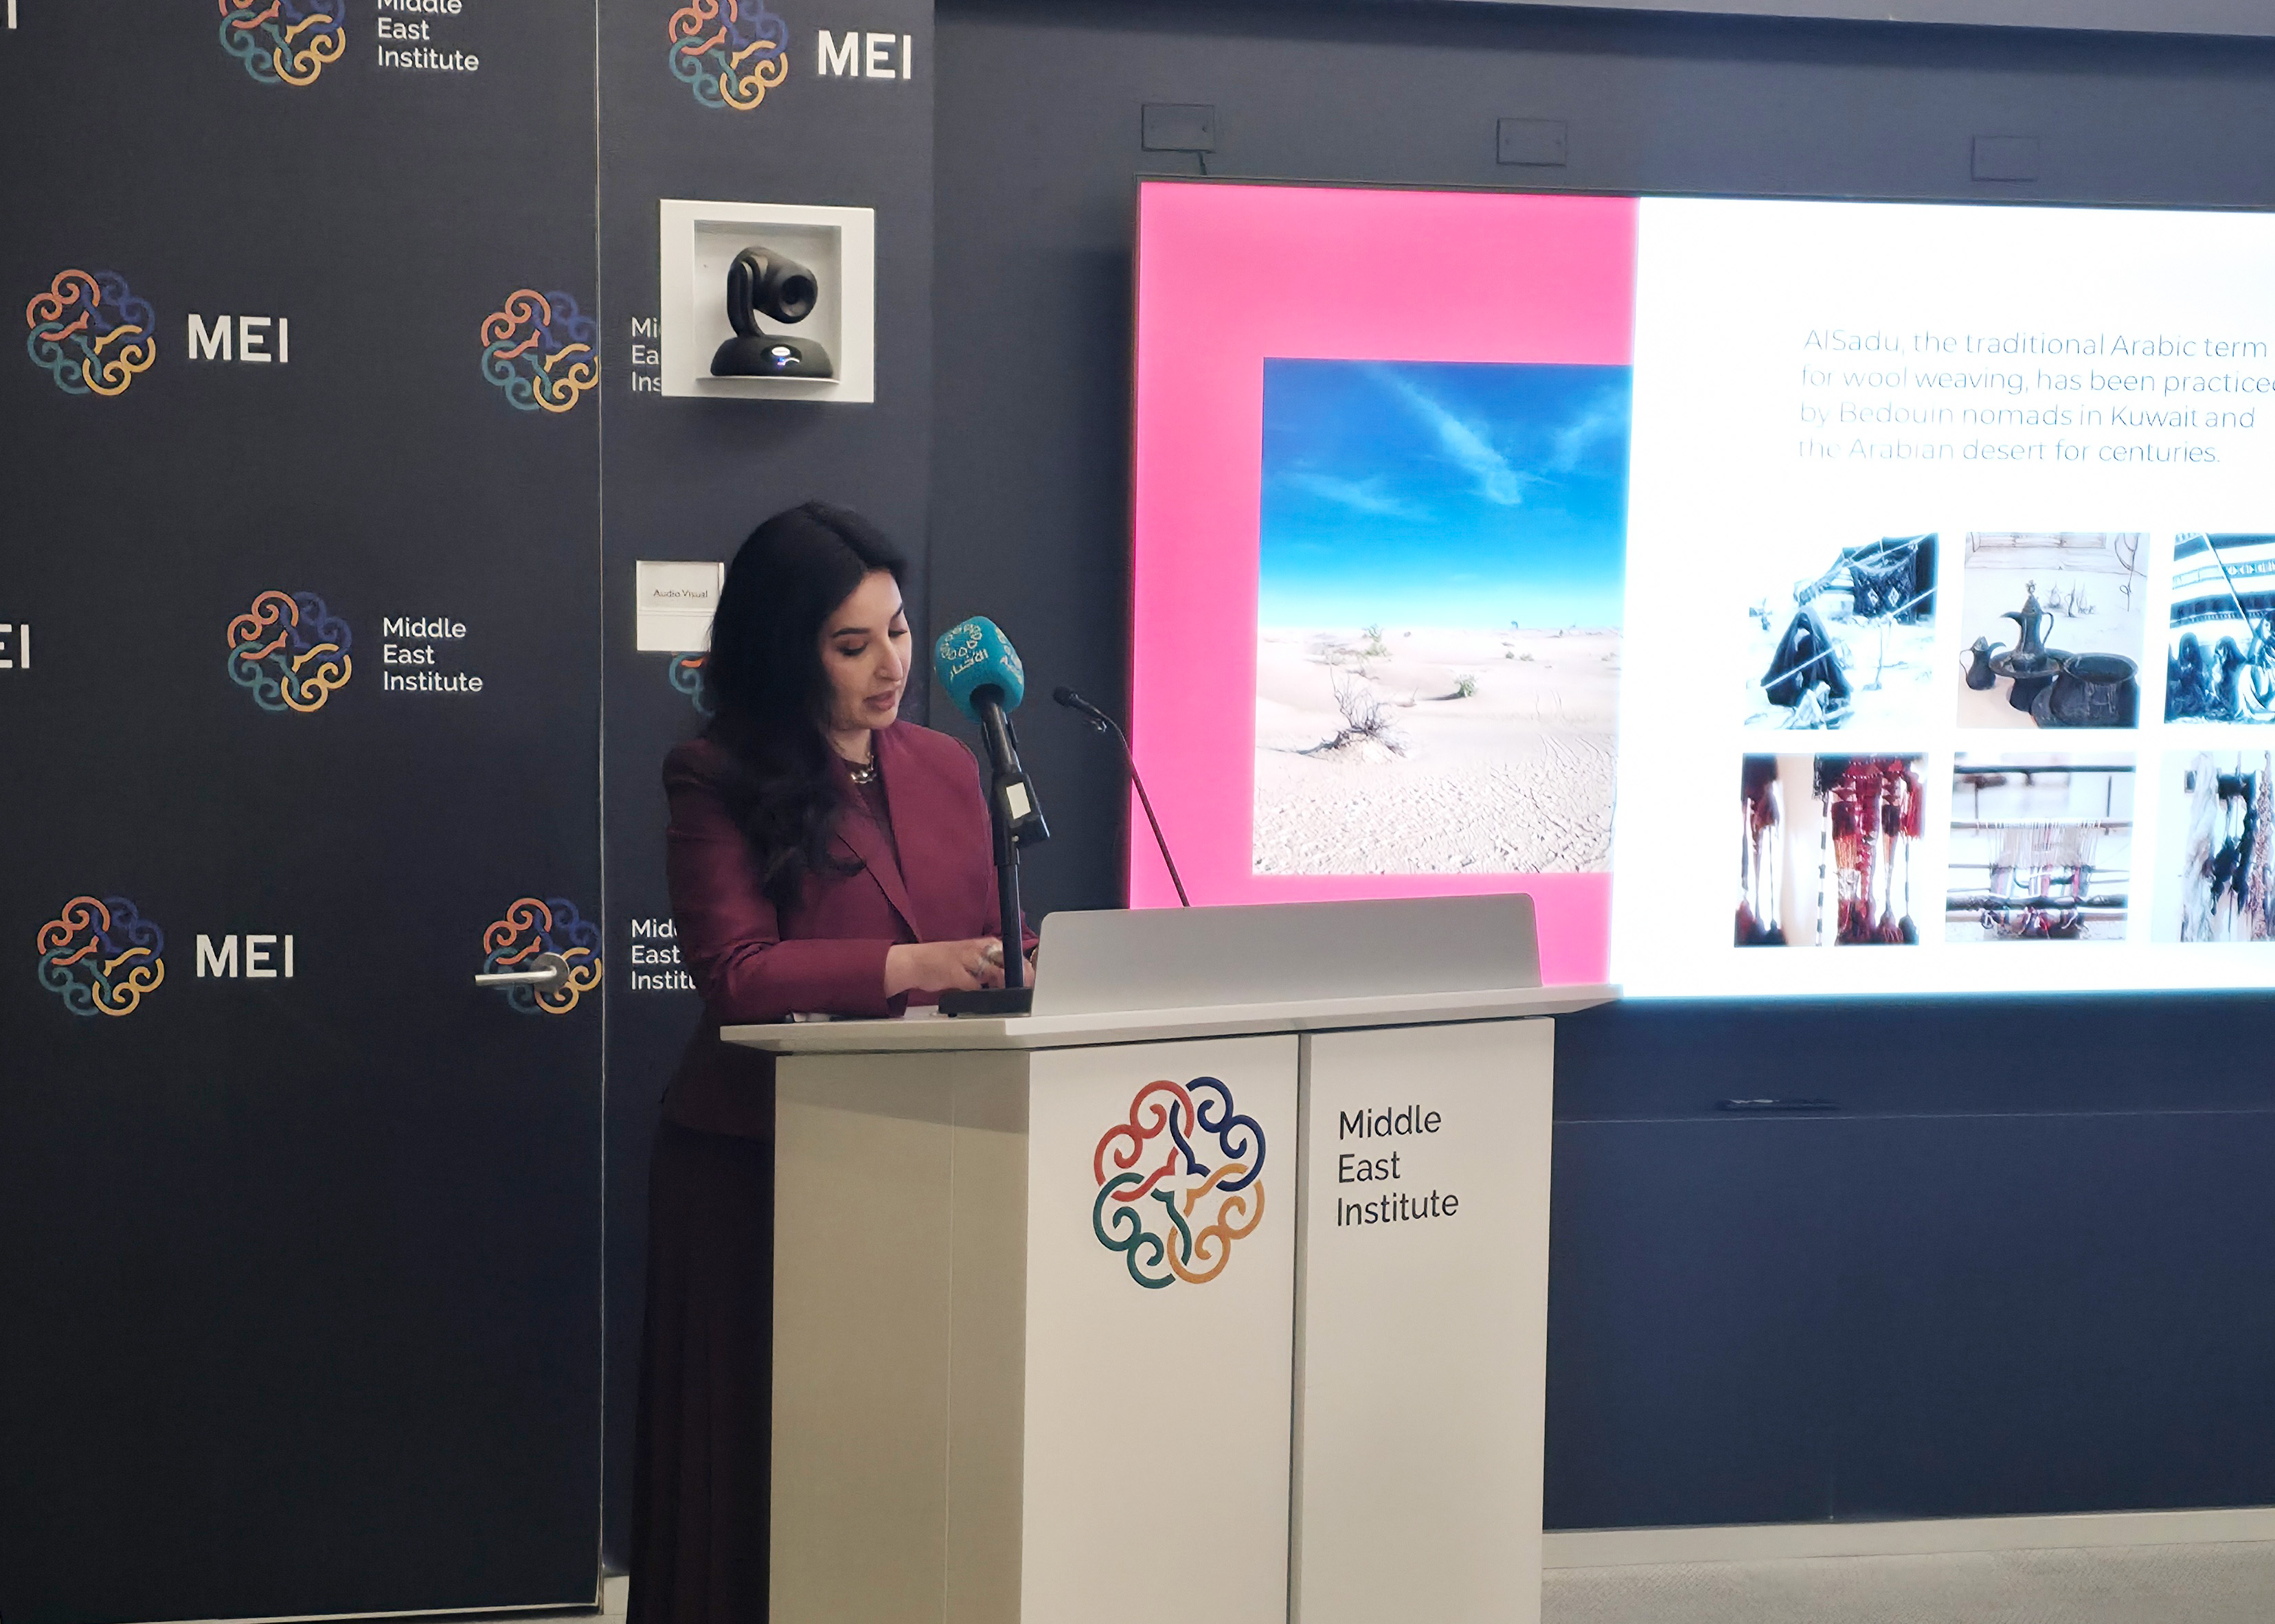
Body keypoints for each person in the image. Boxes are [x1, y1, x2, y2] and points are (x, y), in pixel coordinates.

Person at [629, 501, 1028, 1624]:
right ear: (784, 647)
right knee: (755, 1461)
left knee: (896, 1460)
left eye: (898, 631)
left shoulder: (949, 764)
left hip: (927, 1161)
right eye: (853, 645)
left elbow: (985, 941)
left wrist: (1019, 961)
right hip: (756, 1167)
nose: (892, 666)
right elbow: (737, 973)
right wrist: (917, 964)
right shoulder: (713, 773)